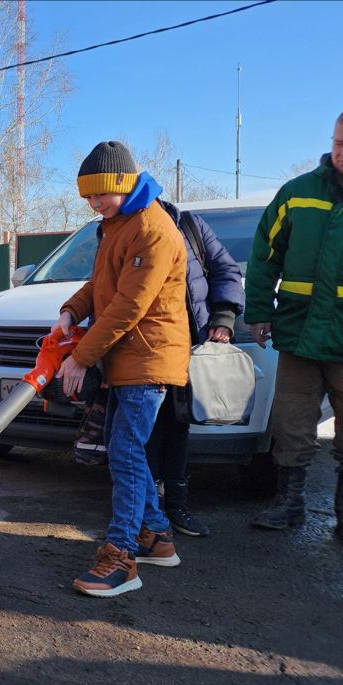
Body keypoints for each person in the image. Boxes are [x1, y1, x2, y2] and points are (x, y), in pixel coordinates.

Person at [54, 141, 190, 597]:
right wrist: (71, 310)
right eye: (88, 197)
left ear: (125, 183)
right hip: (128, 358)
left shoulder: (152, 228)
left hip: (148, 359)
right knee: (123, 449)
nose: (94, 203)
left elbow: (129, 305)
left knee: (126, 452)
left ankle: (122, 558)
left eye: (101, 194)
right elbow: (101, 285)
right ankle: (157, 537)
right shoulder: (117, 225)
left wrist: (80, 357)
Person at [245, 104, 343, 540]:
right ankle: (289, 504)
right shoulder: (297, 193)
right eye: (339, 142)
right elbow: (264, 255)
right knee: (291, 423)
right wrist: (259, 311)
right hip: (299, 336)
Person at [145, 200, 245, 537]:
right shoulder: (120, 229)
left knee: (176, 427)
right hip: (144, 352)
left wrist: (224, 317)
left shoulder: (190, 226)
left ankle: (176, 507)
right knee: (145, 433)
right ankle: (148, 512)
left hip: (188, 348)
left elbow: (226, 270)